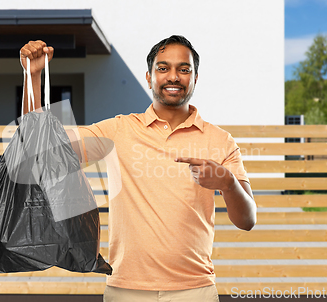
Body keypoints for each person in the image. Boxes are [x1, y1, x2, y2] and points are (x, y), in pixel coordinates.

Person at [19, 35, 257, 302]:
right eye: (163, 68)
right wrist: (33, 77)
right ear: (148, 76)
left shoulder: (220, 140)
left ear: (195, 77)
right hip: (126, 291)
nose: (174, 76)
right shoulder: (118, 131)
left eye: (184, 69)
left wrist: (228, 184)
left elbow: (247, 220)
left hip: (195, 291)